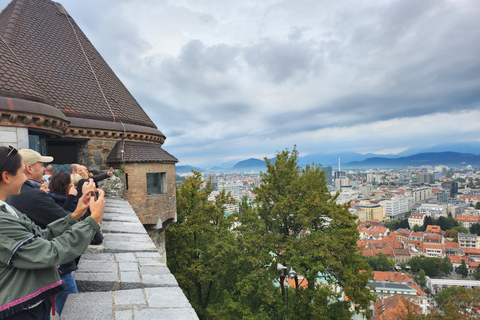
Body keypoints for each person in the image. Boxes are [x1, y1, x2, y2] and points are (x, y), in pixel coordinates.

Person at [0, 145, 105, 320]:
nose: (24, 177)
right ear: (6, 177)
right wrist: (93, 219)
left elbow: (41, 236)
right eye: (21, 172)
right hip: (19, 310)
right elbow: (50, 253)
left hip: (29, 302)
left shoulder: (7, 208)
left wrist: (76, 214)